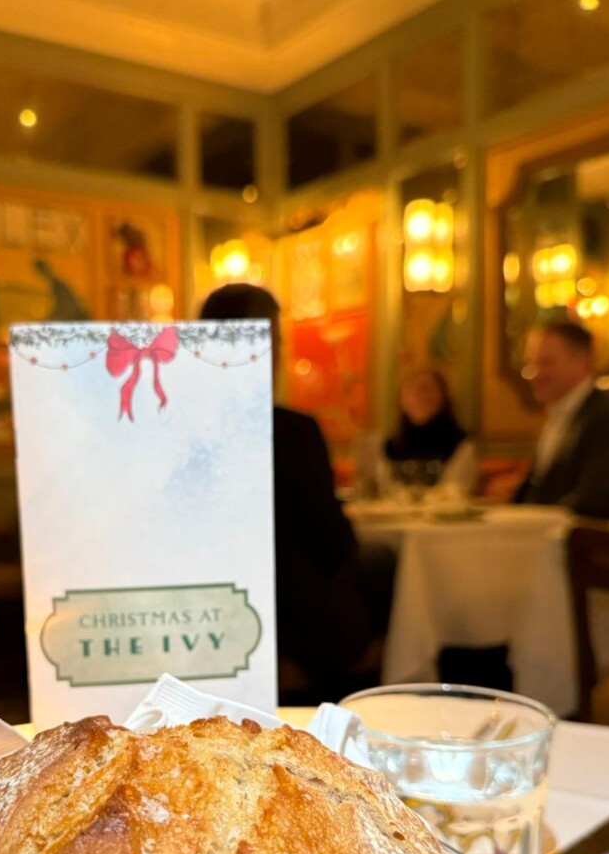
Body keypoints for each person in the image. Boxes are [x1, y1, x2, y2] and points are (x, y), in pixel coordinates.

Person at [199, 283, 394, 705]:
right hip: (290, 629)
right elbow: (334, 546)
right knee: (384, 571)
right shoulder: (293, 432)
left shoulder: (175, 432)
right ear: (264, 345)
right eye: (277, 340)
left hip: (201, 626)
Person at [514, 320, 609, 518]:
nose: (535, 374)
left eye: (546, 363)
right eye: (531, 363)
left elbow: (599, 502)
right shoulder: (558, 417)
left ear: (583, 360)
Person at [377, 368, 477, 496]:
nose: (420, 396)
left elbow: (456, 491)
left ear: (443, 397)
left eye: (427, 389)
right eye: (412, 390)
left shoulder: (460, 445)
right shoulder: (390, 447)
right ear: (401, 400)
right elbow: (385, 491)